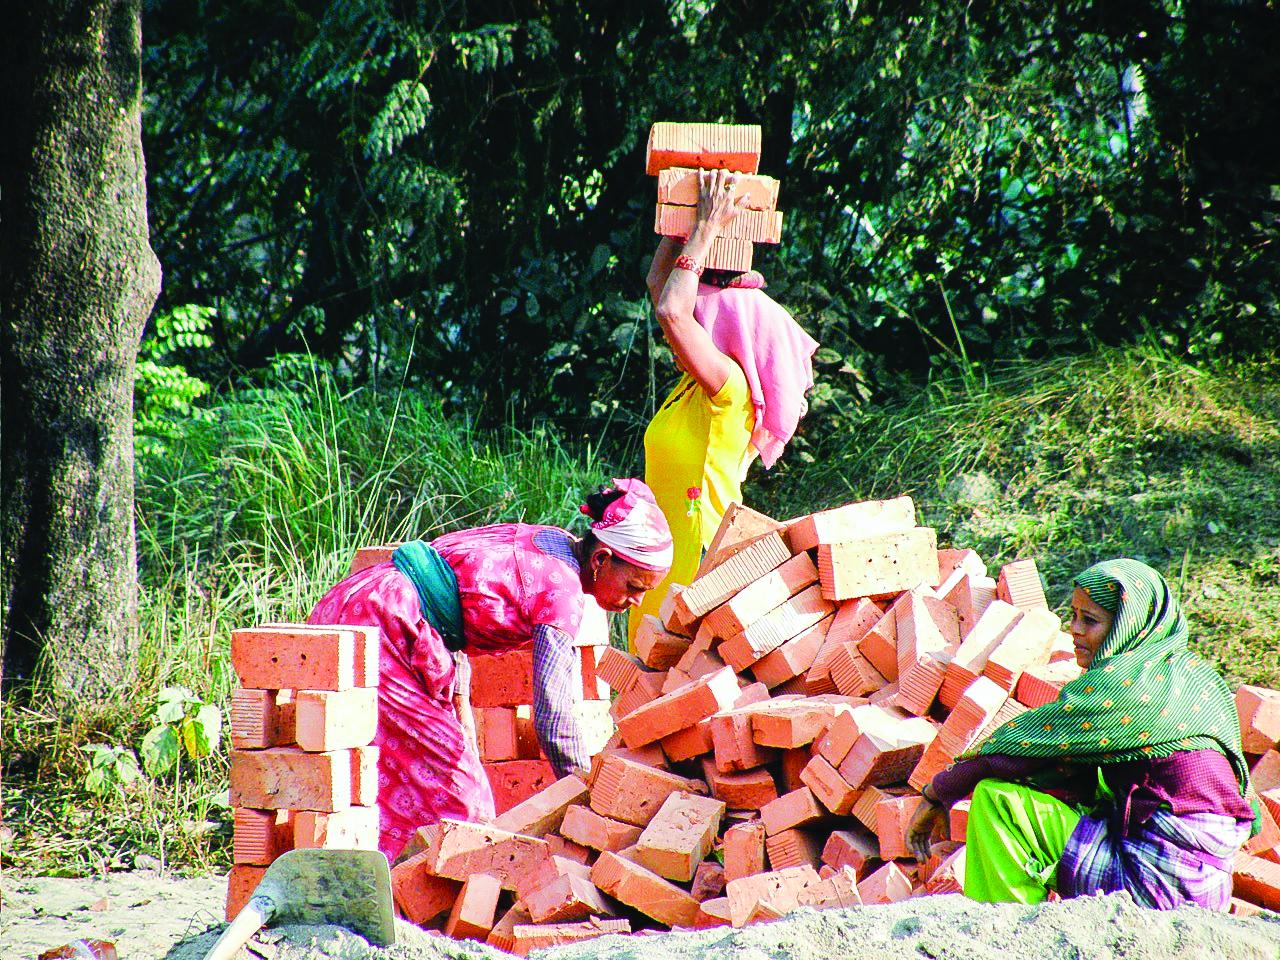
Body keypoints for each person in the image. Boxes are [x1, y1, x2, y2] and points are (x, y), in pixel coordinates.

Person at [308, 479, 672, 860]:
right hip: (384, 627)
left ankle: (371, 875)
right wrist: (588, 798)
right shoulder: (562, 594)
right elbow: (553, 720)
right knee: (462, 802)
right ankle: (394, 887)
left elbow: (457, 606)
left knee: (392, 774)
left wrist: (460, 709)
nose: (637, 601)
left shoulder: (553, 541)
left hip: (362, 602)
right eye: (634, 586)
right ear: (600, 560)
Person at [907, 558, 1259, 910]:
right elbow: (1247, 803)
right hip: (1210, 886)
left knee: (999, 802)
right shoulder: (1201, 680)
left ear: (1127, 626)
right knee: (1090, 787)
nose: (1074, 629)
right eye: (1073, 615)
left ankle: (1011, 927)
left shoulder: (1120, 686)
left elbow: (1019, 754)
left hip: (1157, 882)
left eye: (1089, 620)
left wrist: (938, 793)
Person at [629, 167, 819, 646]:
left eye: (701, 320)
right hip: (662, 558)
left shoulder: (729, 389)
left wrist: (708, 228)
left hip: (696, 560)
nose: (684, 331)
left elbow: (671, 310)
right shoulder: (692, 387)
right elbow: (659, 286)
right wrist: (685, 216)